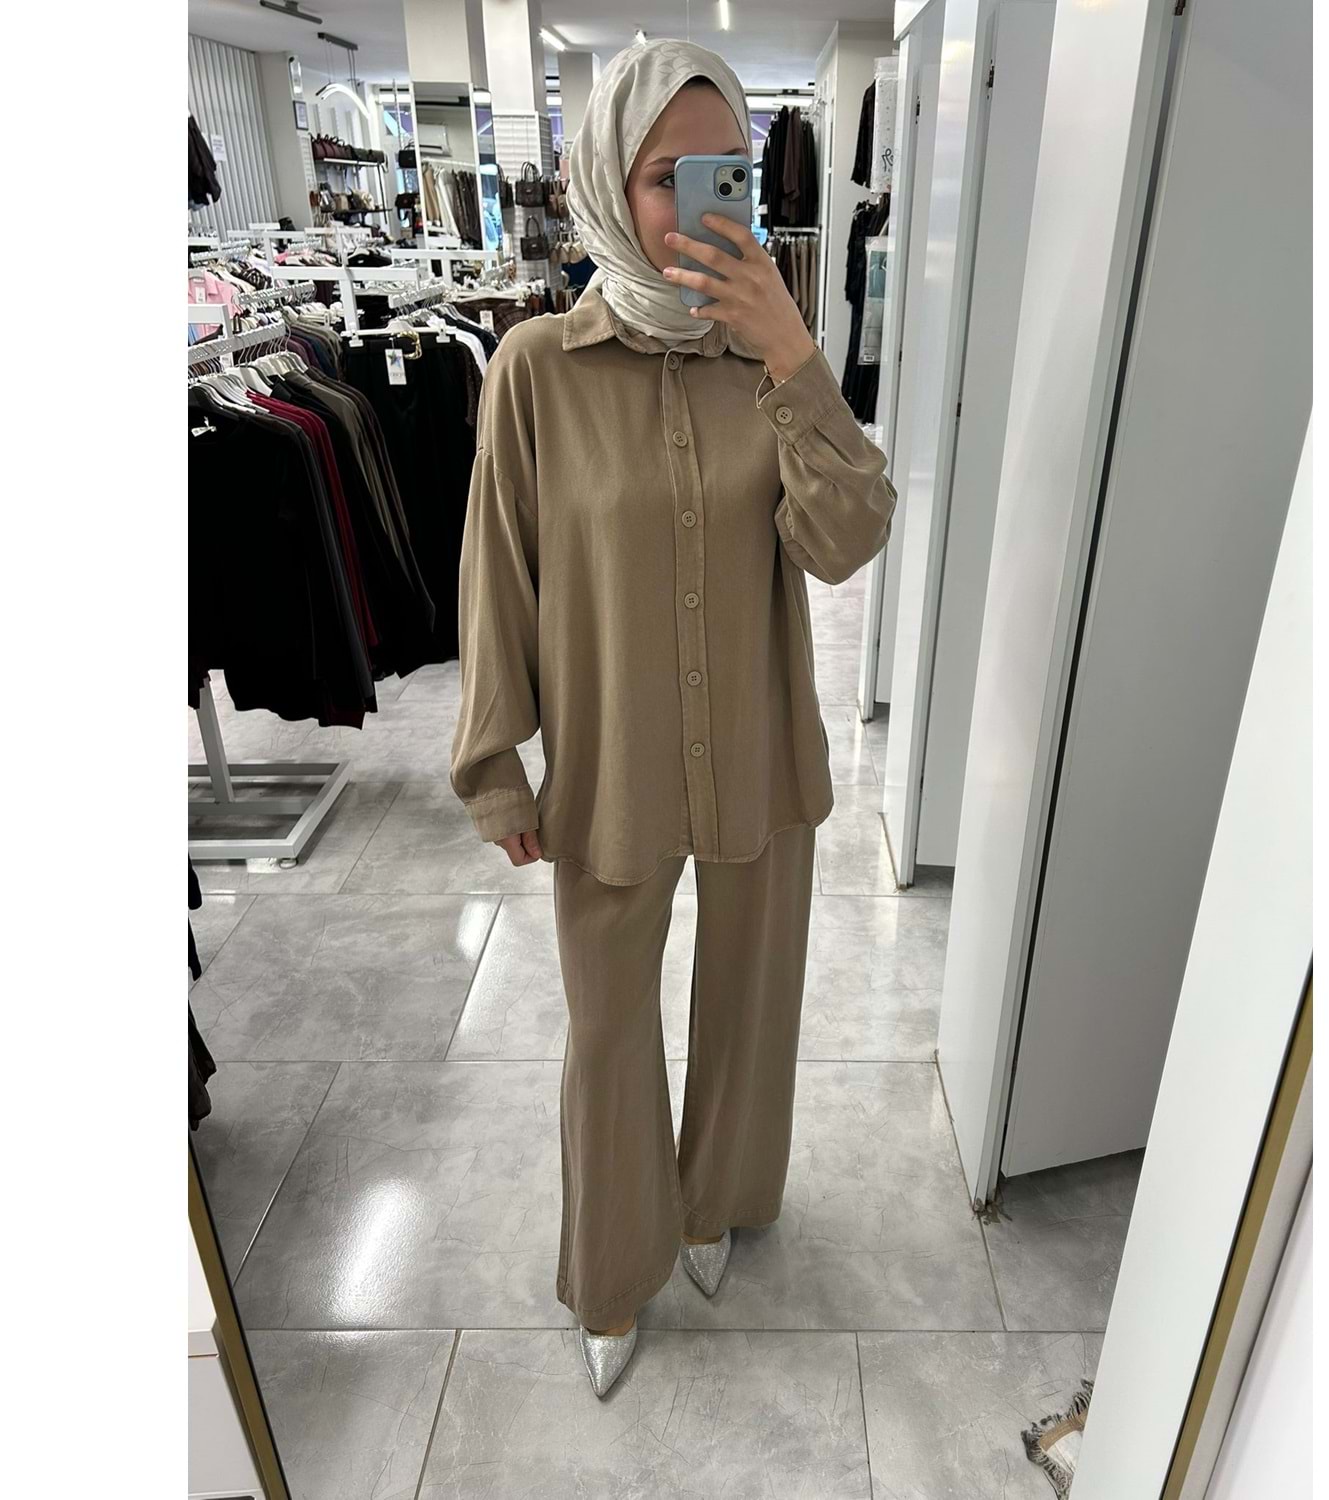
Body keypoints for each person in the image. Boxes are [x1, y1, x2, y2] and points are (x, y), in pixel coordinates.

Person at [449, 37, 899, 1397]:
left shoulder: (770, 362)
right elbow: (499, 574)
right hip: (611, 761)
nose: (703, 207)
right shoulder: (535, 367)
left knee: (751, 1003)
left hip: (758, 745)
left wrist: (795, 357)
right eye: (668, 178)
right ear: (606, 181)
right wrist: (494, 766)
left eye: (730, 175)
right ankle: (615, 1263)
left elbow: (847, 541)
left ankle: (715, 1202)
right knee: (607, 1026)